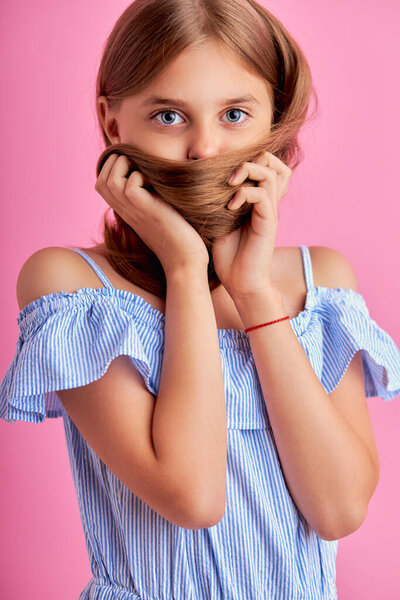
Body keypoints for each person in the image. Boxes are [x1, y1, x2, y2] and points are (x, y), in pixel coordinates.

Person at [1, 1, 400, 599]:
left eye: (235, 113)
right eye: (168, 115)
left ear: (274, 119)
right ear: (113, 124)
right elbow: (192, 495)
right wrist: (186, 271)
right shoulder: (76, 289)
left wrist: (254, 290)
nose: (205, 149)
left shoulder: (320, 283)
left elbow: (338, 509)